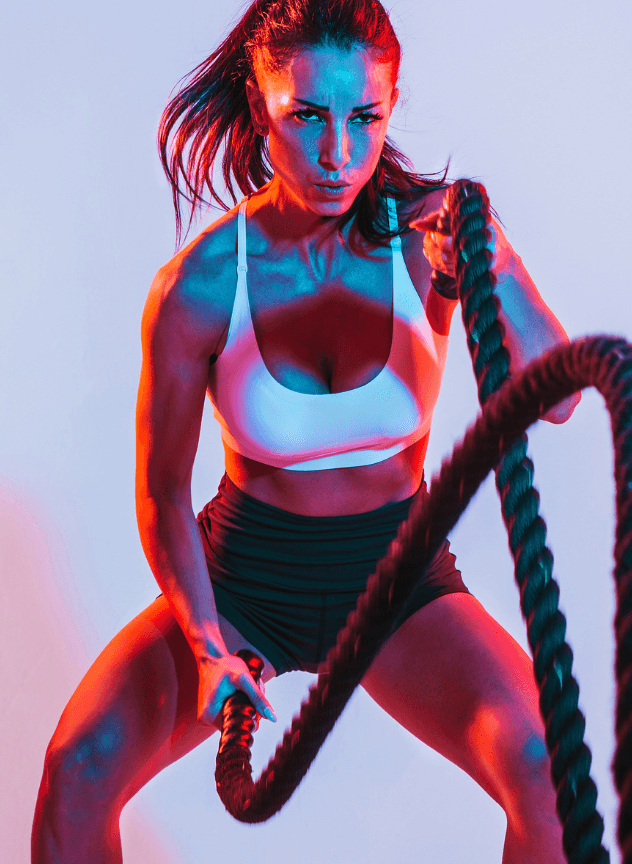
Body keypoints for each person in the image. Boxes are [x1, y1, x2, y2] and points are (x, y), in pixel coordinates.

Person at [31, 1, 580, 861]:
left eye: (364, 118)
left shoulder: (430, 237)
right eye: (308, 117)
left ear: (390, 108)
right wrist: (206, 647)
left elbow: (558, 398)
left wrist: (495, 261)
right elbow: (162, 493)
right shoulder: (199, 286)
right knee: (78, 768)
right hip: (242, 585)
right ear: (261, 107)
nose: (338, 154)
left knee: (549, 771)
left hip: (397, 583)